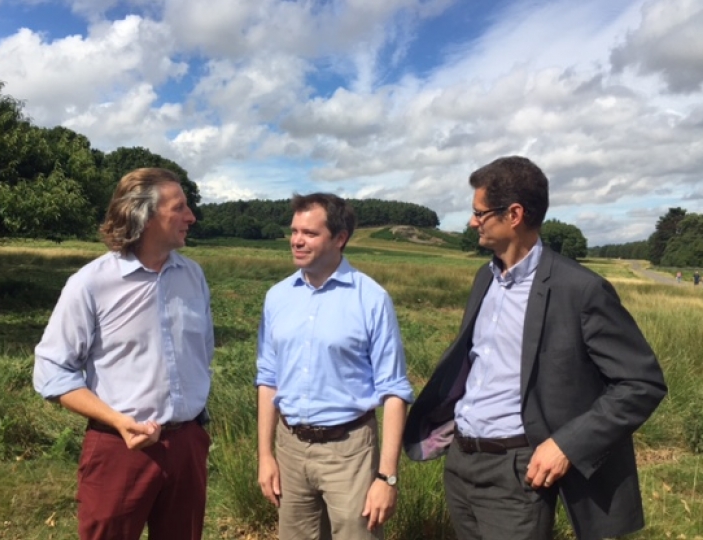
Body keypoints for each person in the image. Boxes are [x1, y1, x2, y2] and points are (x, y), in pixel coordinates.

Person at [404, 156, 667, 540]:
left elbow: (641, 384)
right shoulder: (485, 278)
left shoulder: (580, 290)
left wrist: (566, 445)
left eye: (479, 213)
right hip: (460, 463)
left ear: (514, 214)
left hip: (515, 471)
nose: (472, 222)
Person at [33, 168, 214, 540]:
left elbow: (201, 355)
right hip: (120, 448)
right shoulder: (91, 283)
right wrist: (117, 420)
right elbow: (52, 370)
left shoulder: (193, 276)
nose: (191, 216)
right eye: (179, 207)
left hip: (187, 447)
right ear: (142, 215)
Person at [256, 193, 414, 540]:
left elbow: (394, 391)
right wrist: (265, 455)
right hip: (290, 448)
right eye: (294, 231)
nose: (296, 240)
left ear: (339, 239)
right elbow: (268, 379)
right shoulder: (277, 297)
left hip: (350, 451)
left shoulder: (371, 299)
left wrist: (386, 477)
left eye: (310, 233)